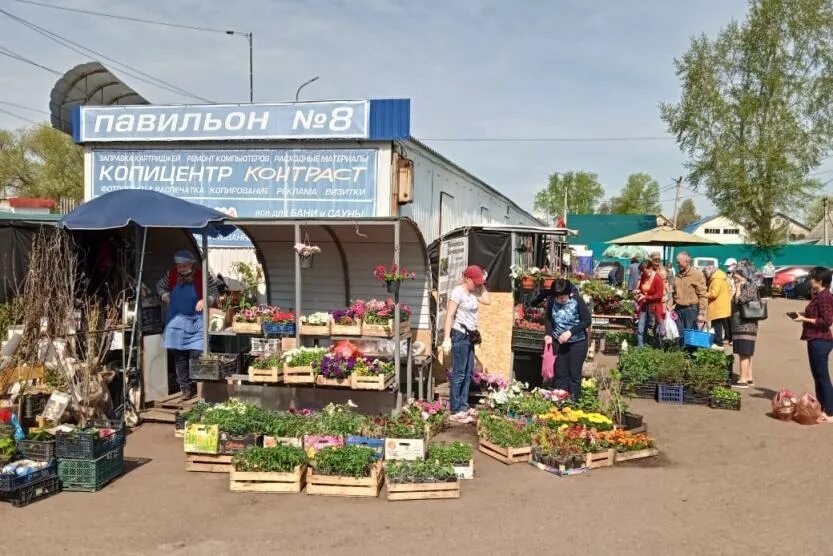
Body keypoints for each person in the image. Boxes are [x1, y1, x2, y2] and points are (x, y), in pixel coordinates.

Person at [157, 250, 220, 399]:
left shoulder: (203, 275)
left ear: (192, 264)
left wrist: (205, 300)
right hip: (176, 321)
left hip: (197, 321)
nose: (181, 269)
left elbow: (215, 293)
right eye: (179, 266)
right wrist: (164, 295)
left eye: (184, 266)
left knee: (196, 353)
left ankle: (197, 385)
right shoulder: (170, 275)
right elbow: (160, 286)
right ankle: (185, 388)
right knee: (179, 356)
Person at [441, 265, 491, 423]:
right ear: (467, 279)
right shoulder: (458, 292)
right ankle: (456, 409)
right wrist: (447, 338)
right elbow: (449, 315)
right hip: (459, 334)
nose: (476, 284)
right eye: (474, 281)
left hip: (470, 336)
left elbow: (487, 301)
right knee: (459, 373)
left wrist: (481, 283)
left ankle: (464, 405)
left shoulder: (474, 291)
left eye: (478, 282)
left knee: (468, 372)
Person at [791, 267, 833, 422]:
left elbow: (827, 321)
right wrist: (802, 315)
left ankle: (830, 412)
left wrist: (804, 320)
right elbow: (817, 315)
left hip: (821, 340)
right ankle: (821, 408)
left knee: (823, 377)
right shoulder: (818, 295)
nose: (810, 280)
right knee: (818, 376)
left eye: (812, 278)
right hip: (814, 339)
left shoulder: (825, 296)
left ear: (820, 281)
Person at [544, 278, 591, 402]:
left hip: (577, 342)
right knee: (560, 374)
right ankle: (560, 403)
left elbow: (587, 321)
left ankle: (573, 403)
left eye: (563, 297)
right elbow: (548, 319)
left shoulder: (577, 301)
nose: (560, 300)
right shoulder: (551, 301)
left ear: (569, 293)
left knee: (574, 375)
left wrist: (570, 332)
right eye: (557, 297)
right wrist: (548, 334)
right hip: (559, 343)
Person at [730, 267, 759, 388]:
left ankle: (743, 380)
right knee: (746, 352)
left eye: (736, 277)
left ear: (744, 276)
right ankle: (749, 377)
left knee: (744, 352)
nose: (734, 279)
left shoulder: (749, 286)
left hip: (745, 324)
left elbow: (740, 300)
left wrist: (737, 289)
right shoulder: (747, 285)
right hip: (741, 324)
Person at [672, 252, 708, 338]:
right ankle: (679, 351)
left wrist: (702, 313)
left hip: (691, 309)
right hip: (678, 308)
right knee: (679, 334)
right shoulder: (677, 275)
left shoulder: (697, 274)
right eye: (677, 262)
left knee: (690, 335)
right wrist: (670, 305)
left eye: (679, 262)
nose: (677, 264)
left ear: (687, 262)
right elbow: (674, 292)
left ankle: (690, 351)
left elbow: (703, 294)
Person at [635, 261, 664, 347]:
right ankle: (640, 349)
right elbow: (642, 288)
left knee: (656, 329)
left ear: (650, 268)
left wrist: (646, 297)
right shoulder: (644, 276)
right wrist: (638, 291)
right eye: (642, 271)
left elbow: (659, 295)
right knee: (641, 328)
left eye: (644, 271)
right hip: (644, 306)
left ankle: (657, 348)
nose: (643, 273)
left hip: (654, 307)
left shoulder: (657, 278)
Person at [705, 265, 732, 349]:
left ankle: (718, 342)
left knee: (717, 324)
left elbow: (714, 293)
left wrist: (704, 294)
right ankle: (721, 340)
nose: (706, 276)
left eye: (706, 274)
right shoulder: (721, 277)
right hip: (722, 304)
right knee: (720, 323)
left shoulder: (716, 280)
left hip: (718, 305)